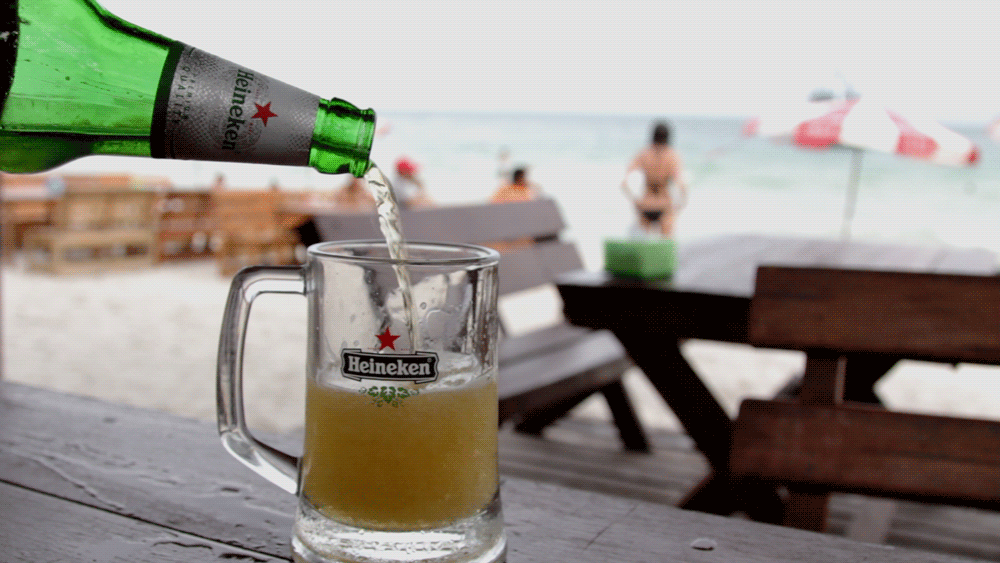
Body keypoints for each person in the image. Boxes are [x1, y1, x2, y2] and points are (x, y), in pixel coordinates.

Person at [621, 121, 688, 237]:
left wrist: (635, 201)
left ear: (652, 136)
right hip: (664, 206)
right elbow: (681, 185)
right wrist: (681, 204)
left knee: (643, 243)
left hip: (645, 206)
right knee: (666, 243)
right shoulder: (672, 156)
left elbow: (624, 183)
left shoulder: (644, 154)